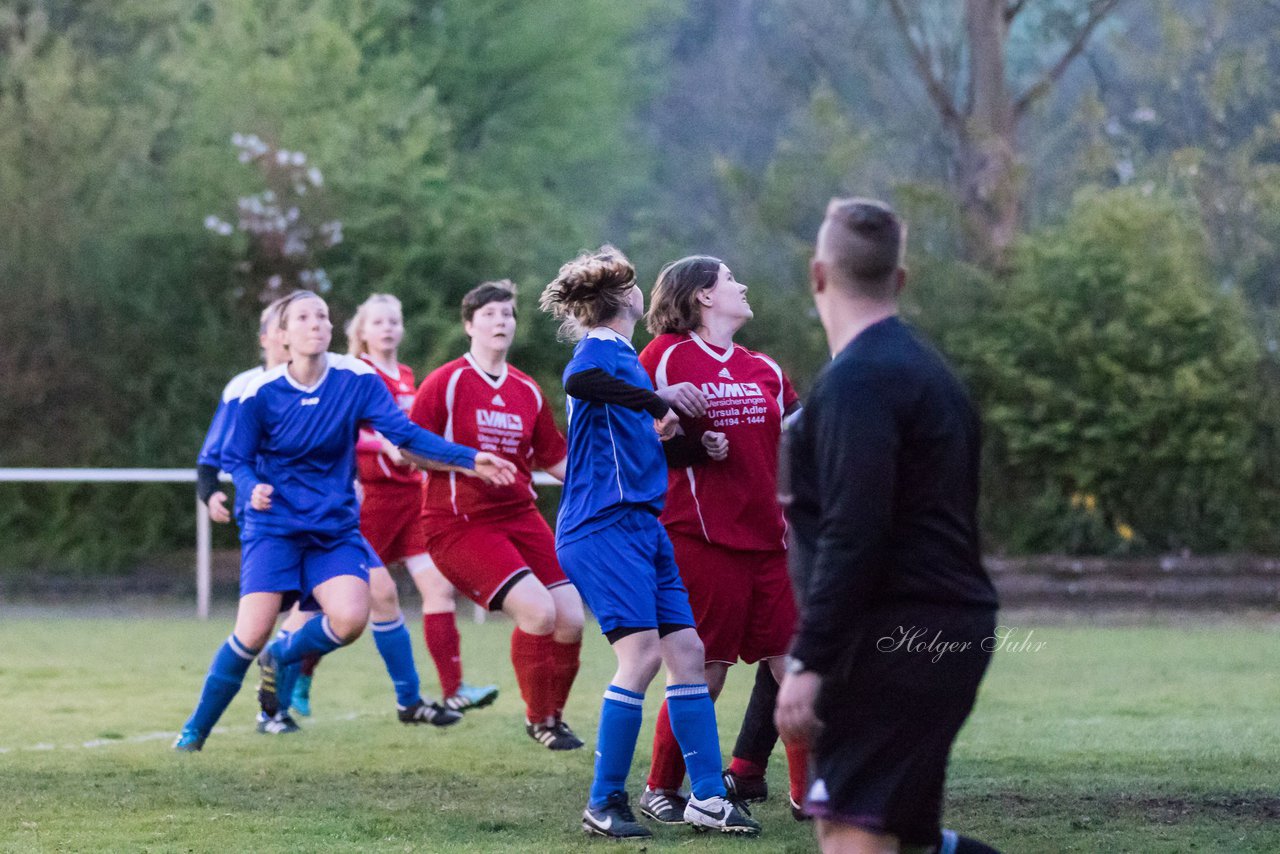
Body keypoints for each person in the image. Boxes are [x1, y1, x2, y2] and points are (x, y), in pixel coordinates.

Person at [174, 290, 516, 751]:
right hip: (273, 527)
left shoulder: (355, 378)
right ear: (283, 335)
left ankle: (283, 656)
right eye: (302, 317)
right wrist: (249, 482)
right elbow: (234, 457)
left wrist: (470, 458)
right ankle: (194, 732)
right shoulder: (258, 393)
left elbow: (405, 435)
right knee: (251, 630)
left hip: (332, 529)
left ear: (332, 329)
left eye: (321, 315)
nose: (315, 323)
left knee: (352, 618)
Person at [774, 198, 1001, 854]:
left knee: (852, 833)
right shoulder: (933, 376)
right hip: (941, 629)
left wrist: (812, 659)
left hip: (896, 638)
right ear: (901, 280)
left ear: (818, 275)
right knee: (906, 839)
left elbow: (856, 530)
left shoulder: (857, 384)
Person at [539, 246, 760, 839]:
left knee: (686, 653)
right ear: (624, 300)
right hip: (600, 525)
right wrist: (661, 400)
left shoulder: (628, 360)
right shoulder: (602, 350)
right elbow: (578, 378)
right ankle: (605, 800)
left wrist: (690, 449)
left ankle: (709, 798)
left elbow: (635, 449)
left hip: (641, 525)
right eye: (636, 285)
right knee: (640, 658)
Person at [635, 256, 808, 825]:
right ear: (704, 296)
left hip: (770, 544)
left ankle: (813, 796)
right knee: (705, 674)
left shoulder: (764, 367)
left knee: (798, 668)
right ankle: (661, 787)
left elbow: (799, 447)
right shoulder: (662, 356)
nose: (743, 284)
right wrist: (681, 443)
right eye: (732, 279)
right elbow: (629, 440)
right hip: (700, 540)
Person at [289, 294, 499, 717]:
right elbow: (348, 431)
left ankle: (454, 689)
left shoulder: (405, 375)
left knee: (438, 588)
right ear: (361, 332)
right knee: (334, 602)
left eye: (394, 321)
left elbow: (408, 433)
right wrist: (383, 445)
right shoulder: (352, 373)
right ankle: (296, 674)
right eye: (378, 322)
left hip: (410, 500)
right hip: (370, 503)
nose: (387, 328)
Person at [409, 280, 585, 749]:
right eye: (489, 314)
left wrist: (613, 484)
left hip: (520, 516)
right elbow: (409, 447)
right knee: (537, 610)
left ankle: (556, 716)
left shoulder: (526, 389)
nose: (500, 321)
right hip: (458, 522)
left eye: (507, 314)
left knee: (571, 618)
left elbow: (556, 458)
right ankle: (539, 719)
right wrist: (468, 461)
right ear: (469, 325)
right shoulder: (446, 382)